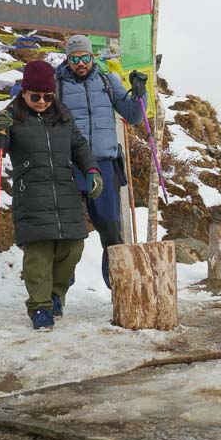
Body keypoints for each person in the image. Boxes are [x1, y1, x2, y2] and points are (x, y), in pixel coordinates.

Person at [0, 60, 102, 331]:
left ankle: (55, 295)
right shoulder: (11, 116)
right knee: (39, 254)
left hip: (65, 190)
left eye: (47, 96)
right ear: (24, 93)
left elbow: (79, 146)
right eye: (35, 96)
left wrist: (92, 169)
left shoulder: (62, 115)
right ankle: (39, 307)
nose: (41, 101)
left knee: (72, 248)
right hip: (32, 193)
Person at [55, 35, 146, 287]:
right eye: (74, 59)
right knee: (68, 230)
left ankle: (118, 287)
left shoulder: (108, 81)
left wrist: (140, 94)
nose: (80, 63)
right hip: (71, 165)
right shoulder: (56, 84)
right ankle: (59, 290)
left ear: (92, 57)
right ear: (68, 59)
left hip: (105, 162)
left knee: (110, 228)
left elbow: (134, 116)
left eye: (85, 57)